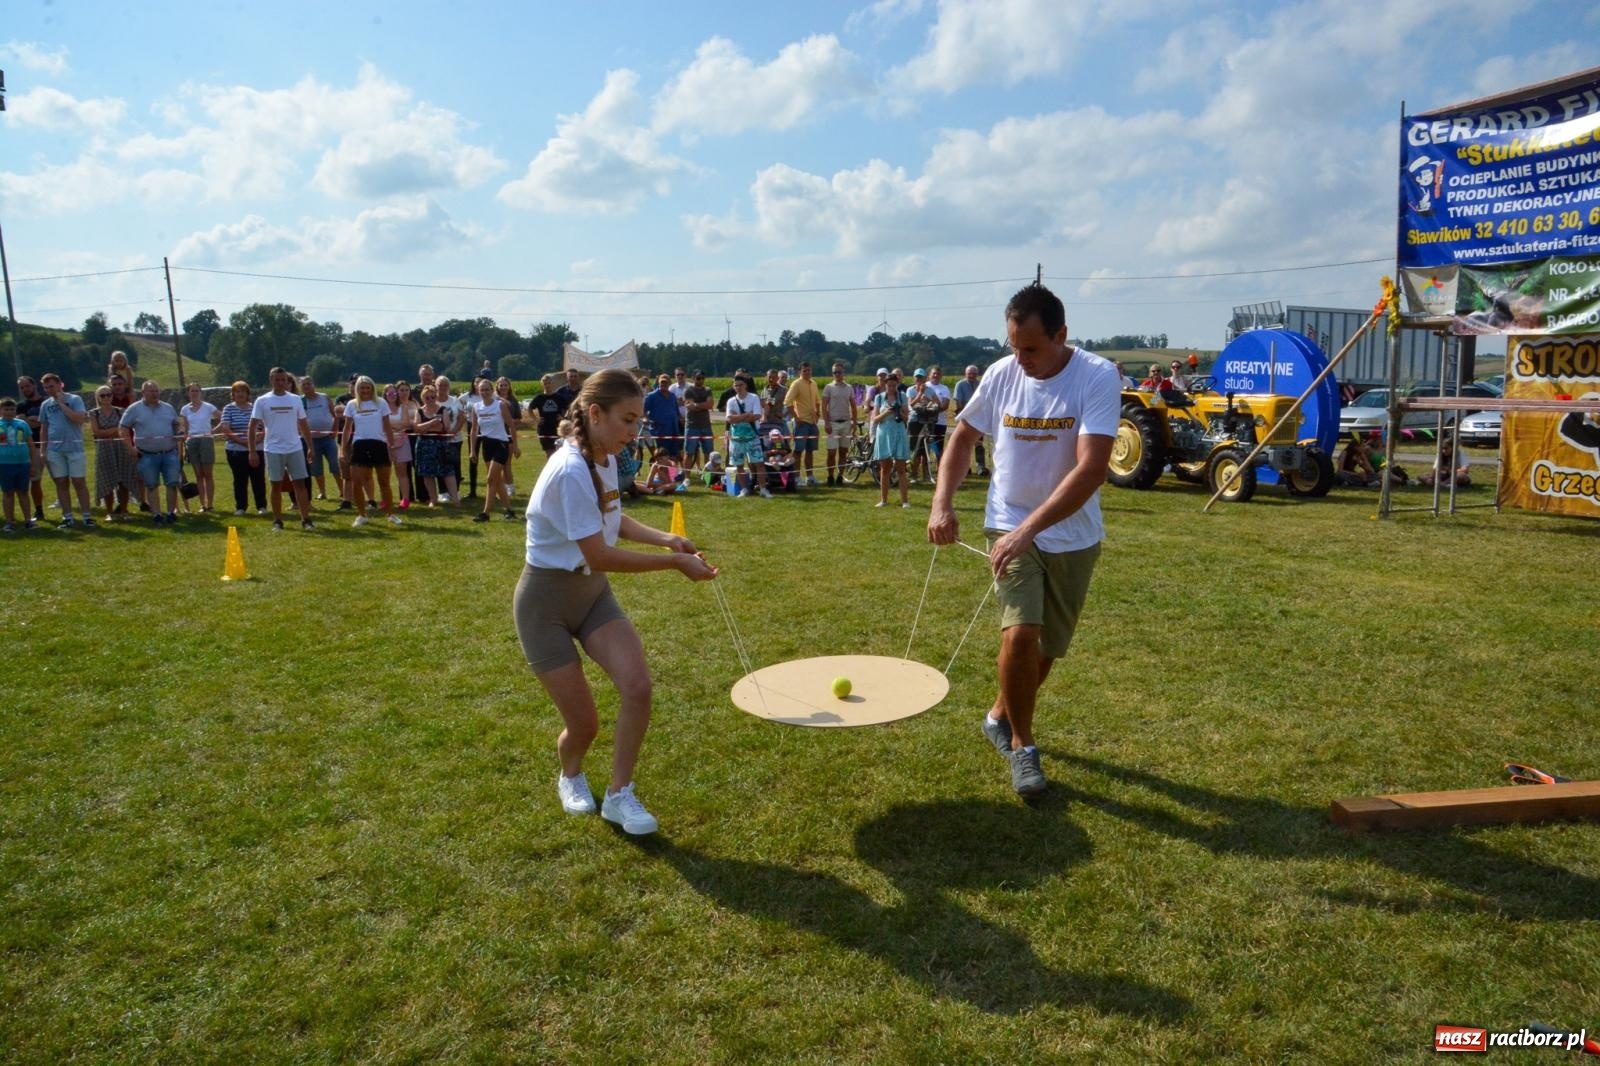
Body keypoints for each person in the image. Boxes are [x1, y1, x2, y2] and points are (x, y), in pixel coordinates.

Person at [927, 282, 1120, 797]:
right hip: (1007, 518)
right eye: (1014, 346)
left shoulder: (1097, 376)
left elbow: (1093, 469)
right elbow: (963, 437)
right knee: (1021, 632)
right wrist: (942, 503)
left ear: (1062, 334)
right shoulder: (1002, 373)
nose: (1021, 358)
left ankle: (998, 715)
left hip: (1072, 530)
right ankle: (1022, 747)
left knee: (1048, 647)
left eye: (1031, 348)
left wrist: (1032, 528)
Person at [517, 368, 718, 835]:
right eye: (628, 421)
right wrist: (673, 565)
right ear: (594, 414)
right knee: (584, 726)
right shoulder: (569, 469)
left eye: (638, 421)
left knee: (638, 686)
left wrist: (667, 538)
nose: (635, 432)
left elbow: (614, 516)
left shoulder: (605, 456)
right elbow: (600, 553)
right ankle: (570, 774)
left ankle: (619, 795)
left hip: (591, 595)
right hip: (544, 604)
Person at [249, 366, 315, 531]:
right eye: (276, 379)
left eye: (283, 380)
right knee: (275, 486)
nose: (280, 383)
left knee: (300, 484)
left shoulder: (295, 399)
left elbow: (304, 425)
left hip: (295, 448)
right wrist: (252, 451)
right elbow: (252, 426)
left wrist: (310, 447)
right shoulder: (262, 401)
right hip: (273, 449)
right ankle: (277, 521)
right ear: (271, 380)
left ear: (287, 381)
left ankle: (306, 519)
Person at [339, 376, 402, 528]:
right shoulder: (351, 405)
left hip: (379, 445)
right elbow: (347, 429)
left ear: (372, 388)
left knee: (384, 483)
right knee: (357, 483)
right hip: (359, 445)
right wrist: (343, 448)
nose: (365, 390)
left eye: (368, 387)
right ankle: (361, 515)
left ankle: (390, 514)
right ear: (357, 389)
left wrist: (391, 447)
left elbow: (387, 426)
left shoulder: (381, 403)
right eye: (362, 387)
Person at [120, 380, 184, 525]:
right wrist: (130, 448)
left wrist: (179, 432)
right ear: (143, 393)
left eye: (156, 391)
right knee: (152, 485)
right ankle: (156, 514)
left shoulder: (168, 408)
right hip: (146, 455)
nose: (155, 394)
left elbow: (176, 424)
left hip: (169, 452)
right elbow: (123, 428)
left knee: (172, 483)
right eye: (151, 391)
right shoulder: (134, 409)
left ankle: (170, 513)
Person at [38, 373, 95, 528]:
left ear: (59, 385)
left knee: (79, 482)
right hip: (55, 450)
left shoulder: (74, 399)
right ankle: (67, 517)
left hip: (75, 448)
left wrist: (62, 404)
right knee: (61, 483)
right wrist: (43, 449)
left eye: (52, 386)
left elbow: (79, 419)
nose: (49, 390)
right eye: (46, 387)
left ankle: (87, 516)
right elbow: (44, 427)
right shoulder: (45, 405)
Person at [469, 375, 520, 522]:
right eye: (482, 390)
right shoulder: (476, 407)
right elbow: (473, 430)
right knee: (496, 481)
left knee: (490, 479)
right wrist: (472, 450)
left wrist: (515, 446)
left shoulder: (500, 405)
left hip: (501, 444)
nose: (484, 392)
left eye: (487, 389)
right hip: (487, 445)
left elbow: (511, 426)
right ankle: (509, 510)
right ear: (478, 392)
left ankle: (485, 513)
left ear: (492, 390)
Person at [218, 381, 266, 516]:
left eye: (243, 391)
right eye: (237, 391)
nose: (240, 394)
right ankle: (241, 507)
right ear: (232, 394)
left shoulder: (255, 407)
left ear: (248, 394)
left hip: (258, 448)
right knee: (240, 479)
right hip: (235, 450)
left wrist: (255, 441)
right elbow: (225, 428)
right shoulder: (228, 408)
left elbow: (264, 426)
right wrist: (243, 442)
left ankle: (261, 506)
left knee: (258, 478)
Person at [88, 386, 134, 521]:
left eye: (108, 394)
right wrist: (115, 430)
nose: (106, 398)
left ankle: (124, 510)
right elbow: (96, 432)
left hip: (121, 448)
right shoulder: (93, 413)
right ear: (98, 398)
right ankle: (109, 512)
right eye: (102, 396)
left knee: (123, 480)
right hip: (104, 449)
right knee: (107, 480)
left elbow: (124, 429)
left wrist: (107, 432)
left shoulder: (121, 411)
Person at [723, 373, 770, 498]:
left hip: (752, 437)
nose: (738, 387)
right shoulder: (731, 401)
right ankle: (744, 489)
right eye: (736, 385)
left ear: (746, 386)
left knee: (759, 463)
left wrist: (737, 417)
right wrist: (746, 416)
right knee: (739, 465)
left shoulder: (753, 398)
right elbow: (729, 419)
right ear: (733, 387)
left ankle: (763, 489)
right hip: (736, 439)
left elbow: (757, 416)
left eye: (741, 385)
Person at [871, 371, 911, 508]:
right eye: (889, 385)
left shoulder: (903, 397)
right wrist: (887, 412)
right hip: (884, 433)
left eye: (894, 385)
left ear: (897, 385)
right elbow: (875, 419)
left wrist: (899, 411)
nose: (892, 388)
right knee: (885, 468)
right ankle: (883, 500)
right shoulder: (879, 398)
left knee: (901, 468)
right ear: (885, 385)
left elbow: (907, 418)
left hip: (899, 432)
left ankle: (905, 501)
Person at [0, 397, 39, 532]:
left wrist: (33, 464)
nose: (9, 412)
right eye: (6, 409)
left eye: (12, 409)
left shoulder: (22, 424)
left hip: (22, 463)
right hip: (4, 465)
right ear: (1, 410)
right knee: (8, 493)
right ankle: (9, 521)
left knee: (23, 492)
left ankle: (28, 520)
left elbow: (31, 445)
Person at [299, 376, 341, 503]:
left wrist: (334, 430)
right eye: (304, 385)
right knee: (316, 468)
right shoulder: (301, 401)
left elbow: (336, 416)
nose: (306, 386)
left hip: (328, 438)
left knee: (335, 464)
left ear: (313, 384)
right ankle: (322, 492)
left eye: (308, 384)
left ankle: (343, 490)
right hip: (311, 441)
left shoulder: (324, 397)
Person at [179, 382, 220, 512]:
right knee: (198, 475)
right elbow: (185, 427)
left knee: (208, 474)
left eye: (197, 391)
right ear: (188, 393)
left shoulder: (208, 407)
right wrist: (184, 437)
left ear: (200, 392)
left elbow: (223, 417)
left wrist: (213, 431)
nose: (195, 393)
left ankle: (210, 504)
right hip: (192, 441)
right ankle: (202, 504)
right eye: (192, 391)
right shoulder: (184, 409)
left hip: (206, 440)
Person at [783, 360, 823, 487]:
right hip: (801, 423)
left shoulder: (814, 384)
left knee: (810, 451)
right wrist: (796, 417)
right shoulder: (796, 384)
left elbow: (817, 400)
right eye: (804, 371)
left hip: (812, 422)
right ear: (799, 372)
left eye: (809, 370)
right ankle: (796, 478)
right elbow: (787, 402)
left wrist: (817, 414)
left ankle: (810, 477)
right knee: (798, 451)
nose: (807, 372)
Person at [14, 376, 45, 525]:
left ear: (34, 385)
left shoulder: (46, 402)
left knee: (61, 479)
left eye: (27, 386)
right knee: (35, 480)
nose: (25, 389)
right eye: (22, 387)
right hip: (32, 447)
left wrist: (33, 420)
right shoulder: (20, 406)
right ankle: (39, 510)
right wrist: (33, 420)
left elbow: (45, 422)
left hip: (50, 444)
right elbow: (21, 427)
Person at [821, 362, 857, 486]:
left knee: (843, 452)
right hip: (833, 424)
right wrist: (826, 423)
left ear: (843, 373)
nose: (837, 374)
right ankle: (830, 476)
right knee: (831, 452)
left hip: (846, 423)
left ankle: (840, 476)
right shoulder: (828, 387)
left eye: (839, 372)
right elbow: (823, 406)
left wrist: (854, 422)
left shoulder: (849, 388)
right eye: (834, 372)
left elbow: (853, 406)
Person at [906, 368, 942, 485]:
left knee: (925, 448)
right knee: (915, 449)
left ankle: (926, 474)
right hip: (914, 420)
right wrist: (920, 394)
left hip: (927, 421)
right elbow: (911, 404)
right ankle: (914, 474)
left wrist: (929, 400)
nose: (919, 380)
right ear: (914, 378)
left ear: (925, 379)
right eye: (917, 377)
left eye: (921, 377)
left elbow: (938, 405)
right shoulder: (910, 390)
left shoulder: (930, 390)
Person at [953, 365, 990, 478]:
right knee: (965, 444)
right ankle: (965, 468)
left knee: (979, 444)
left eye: (974, 373)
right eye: (970, 373)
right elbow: (958, 402)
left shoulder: (981, 384)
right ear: (965, 374)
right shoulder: (960, 385)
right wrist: (966, 414)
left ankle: (980, 467)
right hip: (966, 418)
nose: (972, 375)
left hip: (979, 419)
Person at [388, 381, 419, 510]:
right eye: (390, 393)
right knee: (386, 472)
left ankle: (406, 499)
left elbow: (406, 424)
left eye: (394, 392)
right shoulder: (383, 407)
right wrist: (395, 426)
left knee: (404, 471)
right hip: (387, 441)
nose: (393, 394)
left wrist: (388, 426)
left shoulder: (406, 406)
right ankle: (388, 499)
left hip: (403, 440)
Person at [642, 374, 683, 465]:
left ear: (669, 383)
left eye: (666, 382)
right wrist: (645, 418)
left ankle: (672, 476)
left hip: (674, 430)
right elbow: (643, 410)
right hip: (660, 431)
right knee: (662, 456)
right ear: (658, 383)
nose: (663, 384)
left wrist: (681, 419)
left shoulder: (672, 396)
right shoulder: (651, 396)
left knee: (674, 455)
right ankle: (660, 476)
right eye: (662, 382)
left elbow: (676, 411)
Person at [681, 370, 715, 472]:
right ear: (693, 378)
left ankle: (707, 475)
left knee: (708, 452)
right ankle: (686, 476)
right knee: (689, 452)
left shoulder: (708, 390)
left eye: (702, 378)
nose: (700, 380)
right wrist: (703, 405)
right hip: (692, 426)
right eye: (698, 378)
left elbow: (710, 405)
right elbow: (690, 407)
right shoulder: (688, 391)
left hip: (706, 426)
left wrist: (696, 404)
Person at [494, 377, 522, 499]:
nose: (503, 387)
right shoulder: (493, 400)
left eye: (505, 385)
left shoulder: (513, 401)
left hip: (509, 435)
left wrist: (508, 421)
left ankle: (509, 487)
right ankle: (497, 487)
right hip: (495, 436)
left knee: (506, 463)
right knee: (495, 465)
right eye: (501, 385)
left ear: (509, 387)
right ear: (497, 387)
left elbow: (518, 419)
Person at [534, 373, 564, 455]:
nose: (547, 385)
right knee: (549, 453)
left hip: (557, 428)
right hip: (544, 429)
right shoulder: (539, 398)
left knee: (559, 452)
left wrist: (563, 417)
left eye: (549, 383)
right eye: (545, 383)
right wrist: (536, 419)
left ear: (552, 383)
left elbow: (568, 408)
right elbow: (530, 408)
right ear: (542, 384)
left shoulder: (559, 397)